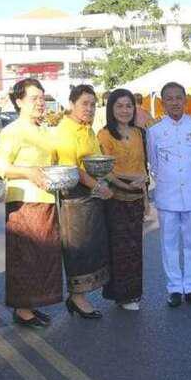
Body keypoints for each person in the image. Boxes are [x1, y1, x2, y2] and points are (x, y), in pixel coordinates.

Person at [0, 78, 63, 328]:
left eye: (42, 98)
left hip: (46, 199)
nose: (40, 103)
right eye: (34, 98)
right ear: (19, 101)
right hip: (23, 201)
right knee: (25, 257)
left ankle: (32, 305)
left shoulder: (44, 130)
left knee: (44, 256)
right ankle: (22, 309)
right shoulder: (12, 131)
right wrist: (29, 172)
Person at [146, 82, 191, 307]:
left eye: (178, 98)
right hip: (167, 194)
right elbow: (153, 162)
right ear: (162, 103)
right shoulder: (154, 129)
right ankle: (174, 287)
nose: (174, 102)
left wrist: (189, 179)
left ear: (185, 100)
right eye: (169, 99)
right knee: (169, 244)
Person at [54, 84, 112, 318]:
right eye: (84, 104)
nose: (89, 108)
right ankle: (77, 297)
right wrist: (97, 186)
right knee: (78, 247)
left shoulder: (87, 129)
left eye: (92, 104)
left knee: (92, 246)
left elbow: (96, 161)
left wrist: (104, 183)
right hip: (74, 195)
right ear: (71, 104)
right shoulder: (65, 130)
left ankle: (79, 296)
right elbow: (72, 169)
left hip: (91, 193)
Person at [98, 89, 148, 311]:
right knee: (119, 249)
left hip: (136, 197)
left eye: (128, 106)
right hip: (115, 199)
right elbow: (106, 169)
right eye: (119, 106)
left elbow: (143, 165)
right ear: (111, 109)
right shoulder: (104, 135)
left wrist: (144, 193)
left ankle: (133, 294)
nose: (125, 110)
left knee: (135, 248)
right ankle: (122, 296)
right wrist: (126, 183)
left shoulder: (139, 133)